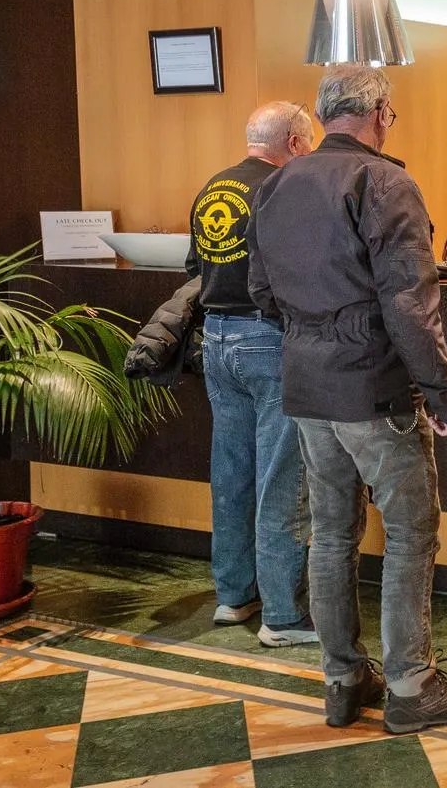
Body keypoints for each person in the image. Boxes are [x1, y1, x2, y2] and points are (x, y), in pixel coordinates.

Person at [246, 65, 447, 734]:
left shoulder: (276, 185)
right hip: (372, 387)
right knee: (411, 531)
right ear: (381, 110)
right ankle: (411, 684)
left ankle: (342, 678)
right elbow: (411, 306)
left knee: (331, 533)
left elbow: (261, 291)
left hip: (306, 385)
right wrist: (446, 392)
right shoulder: (386, 182)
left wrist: (312, 335)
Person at [186, 101, 318, 648]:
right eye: (307, 146)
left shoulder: (212, 187)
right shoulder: (281, 190)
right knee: (281, 477)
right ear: (292, 141)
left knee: (232, 470)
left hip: (216, 339)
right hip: (266, 340)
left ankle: (234, 596)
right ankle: (284, 616)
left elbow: (195, 268)